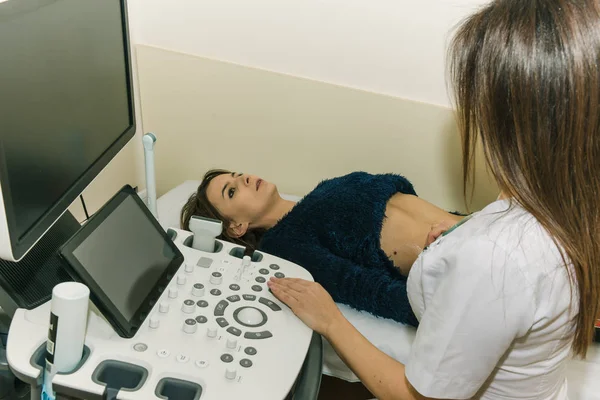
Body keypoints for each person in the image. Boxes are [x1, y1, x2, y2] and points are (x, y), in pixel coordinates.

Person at [267, 0, 600, 399]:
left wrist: (330, 320)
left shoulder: (496, 258)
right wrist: (465, 235)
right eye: (229, 190)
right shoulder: (565, 202)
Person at [181, 170, 463, 327]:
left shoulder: (323, 190)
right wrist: (441, 314)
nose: (243, 179)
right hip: (462, 269)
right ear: (236, 227)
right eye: (231, 192)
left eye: (237, 174)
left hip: (478, 226)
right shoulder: (284, 246)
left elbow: (412, 203)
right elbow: (359, 287)